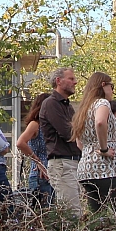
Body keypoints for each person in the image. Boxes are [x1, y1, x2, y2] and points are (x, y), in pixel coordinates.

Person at [70, 72, 116, 228]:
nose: (112, 90)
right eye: (111, 86)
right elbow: (100, 122)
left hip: (86, 169)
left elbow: (79, 142)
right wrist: (104, 148)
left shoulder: (84, 108)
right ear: (103, 85)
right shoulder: (102, 103)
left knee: (97, 218)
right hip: (105, 169)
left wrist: (91, 150)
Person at [39, 67, 83, 215]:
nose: (75, 82)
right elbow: (68, 132)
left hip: (73, 162)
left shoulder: (68, 106)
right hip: (62, 163)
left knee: (75, 210)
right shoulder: (50, 104)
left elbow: (76, 131)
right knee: (71, 212)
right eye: (71, 79)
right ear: (59, 81)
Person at [17, 92, 54, 205]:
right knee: (42, 213)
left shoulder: (51, 125)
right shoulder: (35, 124)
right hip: (40, 176)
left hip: (53, 174)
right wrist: (37, 161)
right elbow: (20, 143)